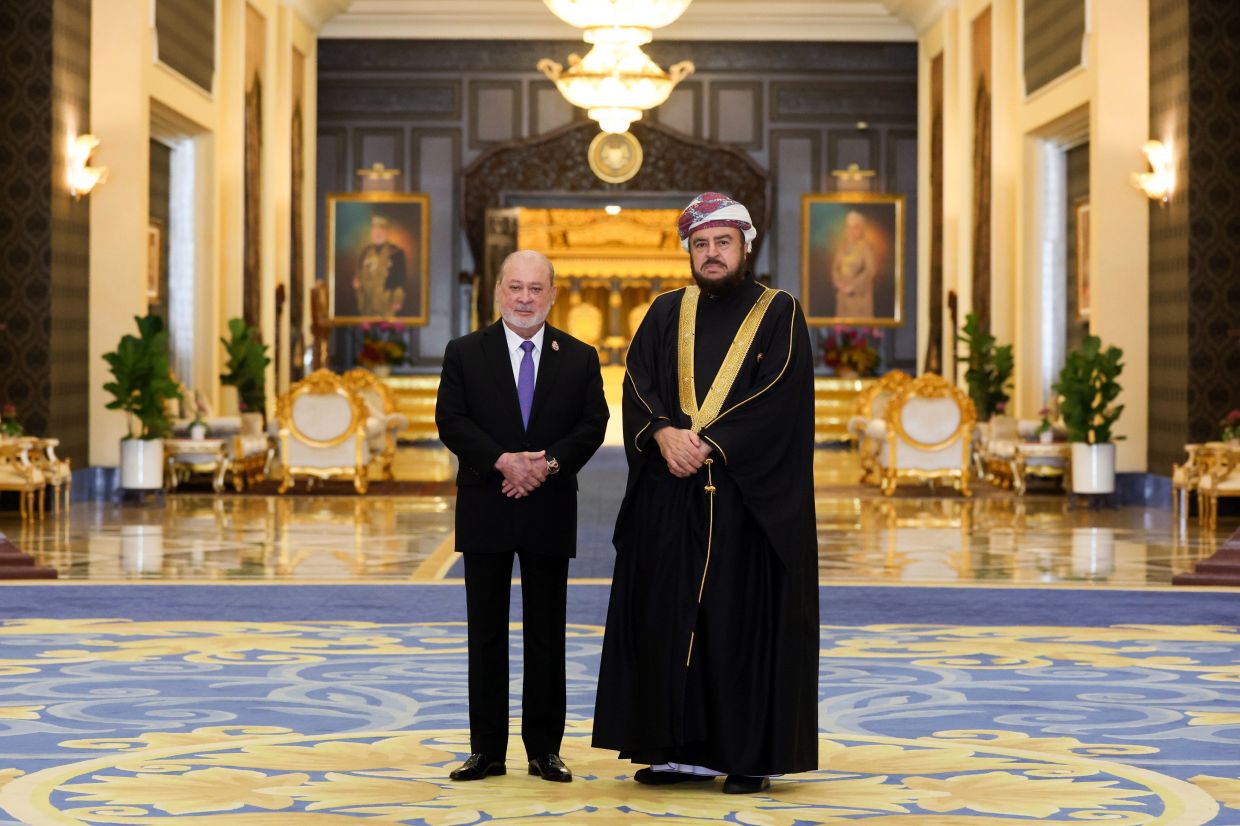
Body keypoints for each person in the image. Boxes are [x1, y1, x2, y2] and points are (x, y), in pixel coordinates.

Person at [593, 192, 820, 794]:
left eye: (723, 242)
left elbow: (779, 395)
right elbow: (637, 381)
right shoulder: (666, 311)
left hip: (747, 504)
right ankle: (675, 750)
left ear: (746, 246)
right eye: (701, 244)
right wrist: (663, 433)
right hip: (671, 497)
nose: (712, 254)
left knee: (736, 624)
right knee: (669, 620)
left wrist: (710, 444)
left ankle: (746, 755)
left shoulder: (780, 311)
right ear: (688, 251)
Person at [435, 249, 608, 784]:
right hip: (487, 501)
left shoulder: (579, 356)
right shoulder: (465, 352)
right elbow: (451, 420)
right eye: (516, 287)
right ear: (499, 293)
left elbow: (592, 423)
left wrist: (547, 464)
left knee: (546, 633)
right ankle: (486, 751)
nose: (526, 298)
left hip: (549, 507)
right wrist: (503, 461)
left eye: (536, 288)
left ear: (553, 295)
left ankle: (544, 750)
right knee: (485, 633)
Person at [353, 214, 408, 317]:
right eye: (374, 230)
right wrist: (357, 283)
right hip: (366, 306)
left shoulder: (396, 253)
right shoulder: (365, 252)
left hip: (387, 306)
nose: (376, 233)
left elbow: (401, 280)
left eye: (380, 230)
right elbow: (358, 276)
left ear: (387, 232)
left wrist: (397, 300)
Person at [831, 210, 877, 318]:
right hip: (843, 298)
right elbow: (835, 268)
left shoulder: (866, 248)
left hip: (859, 299)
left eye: (855, 227)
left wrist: (853, 286)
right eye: (849, 227)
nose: (851, 231)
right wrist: (839, 283)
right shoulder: (841, 248)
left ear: (861, 230)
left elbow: (870, 270)